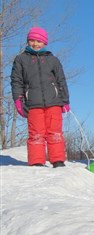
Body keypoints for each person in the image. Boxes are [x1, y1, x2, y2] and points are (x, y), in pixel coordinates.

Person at [10, 27, 70, 168]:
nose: (35, 43)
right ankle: (37, 161)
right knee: (36, 133)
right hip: (33, 103)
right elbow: (16, 81)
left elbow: (61, 80)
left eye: (38, 41)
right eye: (32, 40)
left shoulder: (53, 60)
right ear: (28, 41)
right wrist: (18, 100)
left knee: (55, 132)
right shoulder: (21, 60)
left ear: (44, 42)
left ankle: (57, 160)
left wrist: (65, 100)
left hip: (54, 102)